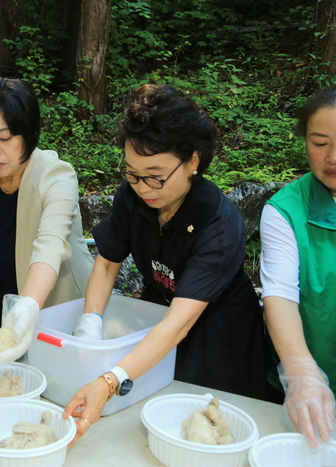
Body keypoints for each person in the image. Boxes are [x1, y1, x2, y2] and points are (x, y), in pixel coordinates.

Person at [64, 84, 265, 444]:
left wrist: (110, 380)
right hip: (159, 316)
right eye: (132, 173)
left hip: (217, 330)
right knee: (146, 413)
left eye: (155, 175)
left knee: (208, 425)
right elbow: (108, 264)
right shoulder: (133, 197)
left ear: (193, 161)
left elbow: (180, 324)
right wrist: (89, 325)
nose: (143, 187)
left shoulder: (218, 224)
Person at [0, 78, 94, 366]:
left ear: (26, 133)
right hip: (8, 307)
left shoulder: (56, 176)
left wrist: (29, 305)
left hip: (57, 309)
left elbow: (51, 245)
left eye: (5, 137)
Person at [260, 84, 336, 448]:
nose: (332, 157)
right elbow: (280, 293)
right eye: (319, 143)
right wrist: (302, 373)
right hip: (304, 387)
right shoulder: (285, 210)